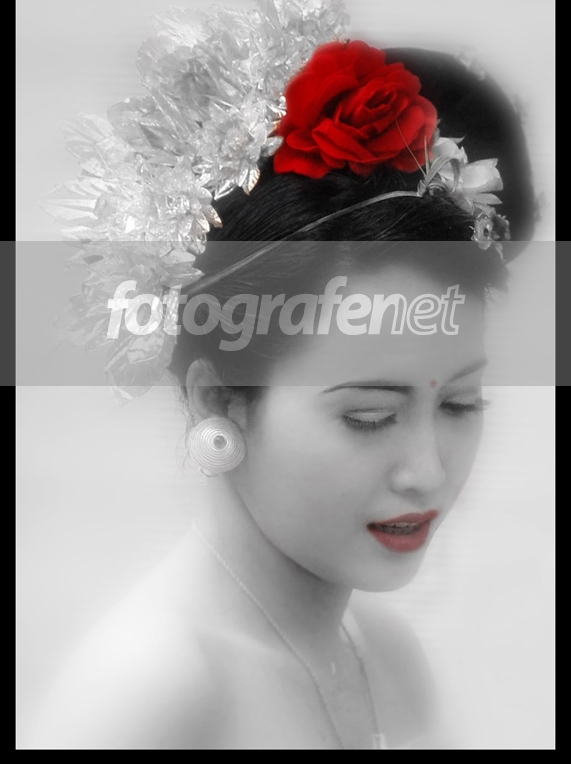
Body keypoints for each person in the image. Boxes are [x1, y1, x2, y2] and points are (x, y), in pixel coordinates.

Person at [26, 38, 536, 750]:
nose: (426, 472)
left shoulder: (383, 654)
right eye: (370, 417)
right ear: (219, 401)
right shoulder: (148, 692)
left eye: (460, 404)